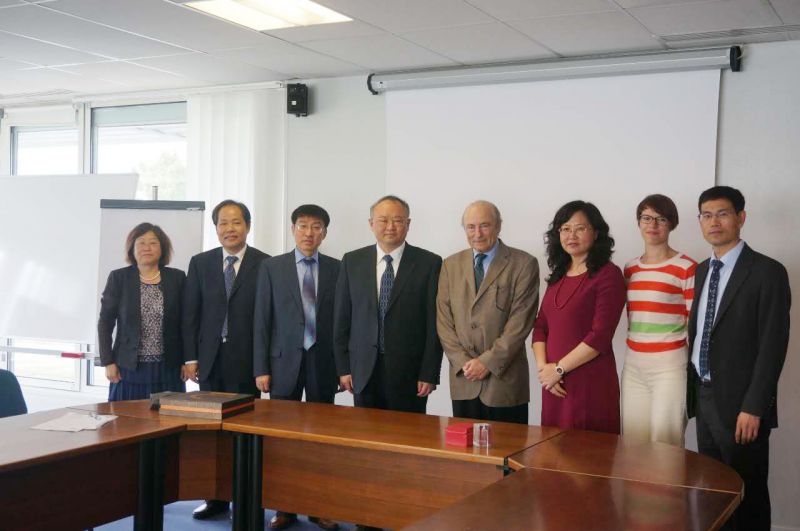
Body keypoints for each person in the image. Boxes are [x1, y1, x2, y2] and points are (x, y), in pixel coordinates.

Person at [688, 186, 790, 531]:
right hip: (704, 396)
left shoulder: (767, 272)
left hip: (743, 406)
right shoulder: (702, 270)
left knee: (748, 494)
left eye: (723, 213)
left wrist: (754, 406)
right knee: (715, 492)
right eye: (706, 215)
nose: (714, 222)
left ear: (741, 218)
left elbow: (773, 346)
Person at [253, 204, 340, 531]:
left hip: (322, 363)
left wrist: (342, 367)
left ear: (324, 232)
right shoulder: (271, 267)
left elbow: (341, 322)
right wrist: (260, 367)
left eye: (316, 226)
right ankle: (284, 508)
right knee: (282, 441)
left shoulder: (338, 268)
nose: (309, 233)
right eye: (303, 226)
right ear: (293, 230)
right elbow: (262, 320)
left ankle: (319, 507)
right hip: (281, 364)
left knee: (321, 441)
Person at [182, 199, 269, 520]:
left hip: (246, 362)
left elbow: (267, 319)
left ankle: (245, 497)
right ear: (216, 228)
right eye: (223, 223)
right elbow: (190, 313)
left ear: (248, 226)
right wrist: (190, 358)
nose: (229, 229)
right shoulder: (200, 263)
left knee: (244, 433)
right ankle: (215, 498)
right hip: (209, 361)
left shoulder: (265, 263)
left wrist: (263, 365)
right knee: (211, 433)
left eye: (236, 222)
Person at [334, 195, 443, 415]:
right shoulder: (352, 261)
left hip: (410, 373)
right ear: (371, 223)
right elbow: (342, 319)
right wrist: (343, 368)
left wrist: (429, 372)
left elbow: (434, 324)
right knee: (365, 431)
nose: (390, 227)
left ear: (408, 224)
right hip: (363, 369)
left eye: (398, 220)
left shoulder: (429, 263)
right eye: (383, 220)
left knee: (407, 432)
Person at [437, 200, 539, 424]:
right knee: (464, 445)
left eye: (484, 225)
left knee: (507, 445)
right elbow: (444, 322)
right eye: (471, 227)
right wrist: (464, 362)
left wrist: (487, 362)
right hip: (464, 380)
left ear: (498, 226)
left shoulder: (524, 264)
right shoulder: (449, 265)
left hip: (505, 382)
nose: (478, 233)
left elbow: (520, 323)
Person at [532, 200, 626, 434]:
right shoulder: (558, 275)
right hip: (554, 383)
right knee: (551, 448)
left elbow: (600, 335)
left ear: (596, 233)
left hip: (589, 382)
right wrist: (545, 371)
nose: (571, 235)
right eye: (565, 228)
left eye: (580, 228)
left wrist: (559, 369)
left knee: (587, 451)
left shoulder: (608, 274)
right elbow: (540, 326)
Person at [621, 195, 696, 446]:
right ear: (638, 222)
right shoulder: (630, 268)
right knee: (633, 443)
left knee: (666, 444)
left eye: (661, 219)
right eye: (646, 218)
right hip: (633, 365)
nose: (652, 225)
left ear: (672, 224)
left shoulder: (686, 267)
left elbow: (694, 325)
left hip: (670, 366)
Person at [98, 223, 186, 401]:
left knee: (168, 418)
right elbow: (105, 322)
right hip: (128, 369)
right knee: (125, 418)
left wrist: (188, 360)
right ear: (132, 248)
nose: (147, 248)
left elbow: (186, 323)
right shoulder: (119, 278)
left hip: (169, 369)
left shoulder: (177, 278)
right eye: (141, 243)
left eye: (153, 243)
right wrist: (108, 362)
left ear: (162, 248)